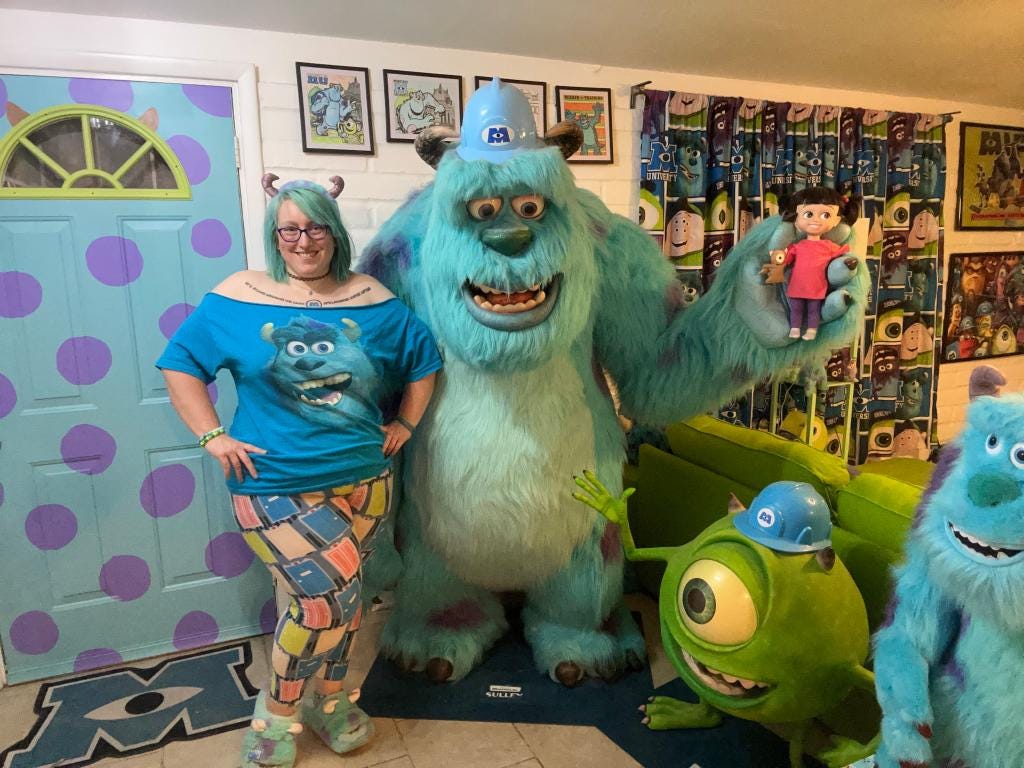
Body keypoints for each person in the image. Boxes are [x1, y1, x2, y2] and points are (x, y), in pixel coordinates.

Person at [156, 173, 441, 768]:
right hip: (274, 484)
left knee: (349, 598)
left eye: (315, 228)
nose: (304, 241)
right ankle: (277, 713)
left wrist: (405, 424)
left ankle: (330, 702)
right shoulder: (238, 295)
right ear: (275, 234)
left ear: (334, 233)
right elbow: (180, 362)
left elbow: (423, 361)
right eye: (290, 230)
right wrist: (211, 434)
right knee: (322, 603)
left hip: (366, 479)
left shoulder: (372, 299)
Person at [763, 187, 860, 341]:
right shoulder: (797, 246)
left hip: (817, 287)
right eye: (808, 214)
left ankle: (811, 330)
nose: (815, 220)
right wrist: (777, 259)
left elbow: (843, 253)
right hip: (797, 286)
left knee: (814, 311)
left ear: (836, 221)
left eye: (825, 215)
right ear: (796, 220)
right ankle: (795, 328)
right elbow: (785, 259)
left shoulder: (829, 246)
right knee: (796, 310)